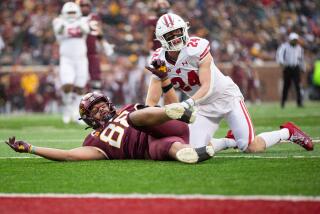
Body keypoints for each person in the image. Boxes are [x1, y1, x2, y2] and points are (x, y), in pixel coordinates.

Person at [145, 13, 314, 153]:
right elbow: (151, 103)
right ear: (161, 38)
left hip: (226, 96)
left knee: (251, 147)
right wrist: (151, 118)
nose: (176, 38)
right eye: (170, 35)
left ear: (184, 30)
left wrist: (187, 103)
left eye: (178, 32)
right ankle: (228, 141)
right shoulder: (159, 60)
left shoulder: (196, 48)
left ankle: (288, 132)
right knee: (193, 150)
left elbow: (207, 86)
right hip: (203, 107)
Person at [4, 92, 214, 164]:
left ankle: (172, 111)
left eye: (102, 104)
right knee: (169, 148)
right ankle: (192, 154)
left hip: (165, 124)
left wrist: (166, 108)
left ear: (109, 102)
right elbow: (69, 155)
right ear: (88, 119)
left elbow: (147, 104)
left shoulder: (127, 109)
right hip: (152, 148)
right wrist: (32, 148)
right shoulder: (95, 142)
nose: (101, 110)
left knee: (134, 116)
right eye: (95, 110)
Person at [52, 2, 90, 124]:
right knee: (67, 84)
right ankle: (67, 108)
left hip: (81, 58)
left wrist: (77, 22)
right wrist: (65, 22)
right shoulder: (58, 21)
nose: (72, 15)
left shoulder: (83, 20)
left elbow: (86, 30)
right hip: (66, 58)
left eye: (73, 12)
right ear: (64, 13)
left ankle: (76, 111)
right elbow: (58, 31)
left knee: (80, 87)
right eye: (69, 13)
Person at [76, 0, 114, 91]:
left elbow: (99, 33)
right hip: (78, 54)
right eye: (82, 5)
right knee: (80, 79)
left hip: (92, 51)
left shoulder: (94, 17)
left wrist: (104, 45)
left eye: (86, 5)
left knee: (95, 77)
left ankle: (96, 98)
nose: (84, 7)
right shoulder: (74, 18)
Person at [276, 32, 305, 108]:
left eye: (296, 40)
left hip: (296, 68)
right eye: (293, 40)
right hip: (287, 68)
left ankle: (299, 102)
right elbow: (280, 55)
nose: (295, 41)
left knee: (298, 86)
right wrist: (281, 62)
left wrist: (303, 67)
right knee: (286, 86)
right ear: (290, 39)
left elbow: (301, 59)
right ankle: (283, 102)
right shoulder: (284, 46)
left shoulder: (299, 48)